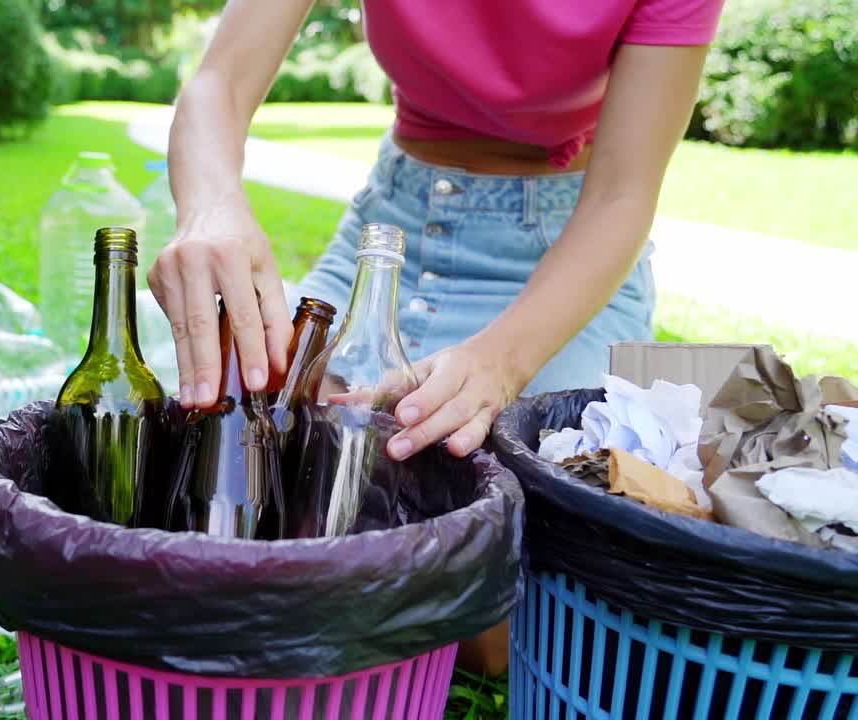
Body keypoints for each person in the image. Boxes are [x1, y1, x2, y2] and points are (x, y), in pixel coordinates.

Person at [148, 0, 725, 673]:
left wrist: (500, 364)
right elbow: (218, 83)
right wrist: (211, 207)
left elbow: (623, 196)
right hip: (396, 224)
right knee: (229, 459)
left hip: (566, 256)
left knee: (525, 596)